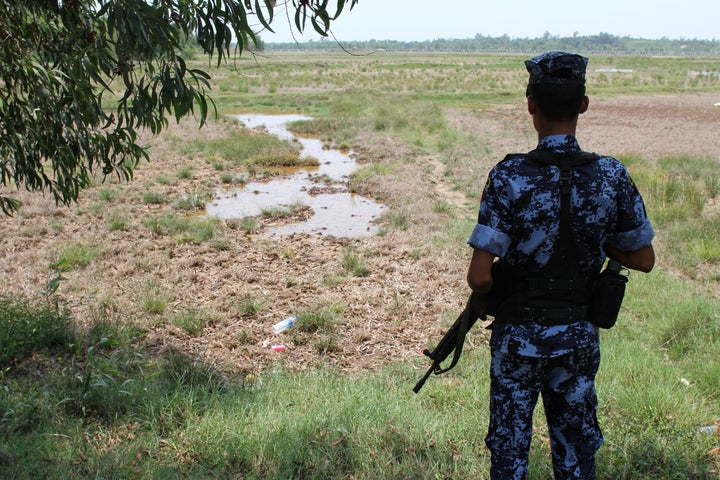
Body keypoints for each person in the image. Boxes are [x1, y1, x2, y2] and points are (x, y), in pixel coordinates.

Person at [465, 52, 655, 480]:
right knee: (575, 455)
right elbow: (643, 258)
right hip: (578, 335)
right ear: (583, 105)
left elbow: (479, 276)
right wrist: (597, 241)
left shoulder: (509, 175)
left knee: (510, 452)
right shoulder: (611, 175)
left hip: (517, 339)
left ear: (530, 104)